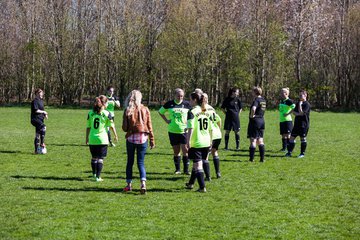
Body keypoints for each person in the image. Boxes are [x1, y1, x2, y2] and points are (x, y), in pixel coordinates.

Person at [122, 90, 155, 194]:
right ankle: (143, 184)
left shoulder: (128, 110)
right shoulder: (145, 109)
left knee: (130, 162)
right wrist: (152, 140)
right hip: (143, 138)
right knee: (141, 162)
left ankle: (129, 184)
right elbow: (150, 126)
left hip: (131, 138)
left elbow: (124, 128)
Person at [158, 88, 191, 174]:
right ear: (174, 95)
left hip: (184, 131)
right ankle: (178, 170)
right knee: (176, 151)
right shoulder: (169, 104)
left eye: (182, 96)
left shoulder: (187, 104)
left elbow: (192, 115)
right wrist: (166, 120)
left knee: (185, 150)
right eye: (178, 96)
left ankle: (186, 170)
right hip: (173, 131)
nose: (180, 97)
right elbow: (160, 112)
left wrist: (189, 125)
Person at [86, 95, 118, 182]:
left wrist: (87, 138)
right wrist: (115, 135)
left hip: (92, 138)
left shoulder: (90, 113)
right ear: (104, 103)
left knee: (94, 157)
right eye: (107, 102)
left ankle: (94, 174)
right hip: (103, 139)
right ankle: (98, 177)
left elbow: (88, 127)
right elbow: (111, 126)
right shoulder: (107, 113)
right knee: (100, 158)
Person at [185, 92, 212, 193]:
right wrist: (210, 140)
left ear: (195, 100)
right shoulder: (205, 110)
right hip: (206, 141)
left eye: (190, 99)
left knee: (198, 165)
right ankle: (191, 183)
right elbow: (210, 128)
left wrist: (188, 142)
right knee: (196, 164)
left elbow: (190, 128)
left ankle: (202, 187)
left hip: (197, 142)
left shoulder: (192, 111)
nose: (189, 101)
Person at [286, 90, 311, 158]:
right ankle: (289, 152)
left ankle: (302, 153)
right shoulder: (298, 103)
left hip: (304, 124)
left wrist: (300, 105)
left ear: (305, 95)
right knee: (291, 138)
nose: (299, 97)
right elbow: (294, 111)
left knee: (302, 139)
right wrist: (290, 113)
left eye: (301, 95)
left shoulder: (306, 104)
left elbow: (301, 113)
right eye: (299, 95)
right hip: (296, 124)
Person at [203, 93, 222, 180]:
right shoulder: (212, 108)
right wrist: (218, 129)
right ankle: (218, 172)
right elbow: (219, 120)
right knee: (215, 152)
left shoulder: (202, 109)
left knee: (205, 155)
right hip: (218, 134)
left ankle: (208, 176)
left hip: (210, 134)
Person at [247, 86, 266, 162]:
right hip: (262, 120)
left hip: (255, 121)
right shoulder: (263, 100)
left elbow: (253, 108)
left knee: (253, 140)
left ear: (255, 92)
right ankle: (262, 159)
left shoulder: (256, 100)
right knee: (260, 140)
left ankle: (251, 159)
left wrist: (252, 115)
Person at [31, 88, 48, 154]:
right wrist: (44, 111)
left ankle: (36, 151)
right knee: (44, 127)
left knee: (37, 134)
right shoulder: (35, 101)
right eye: (41, 92)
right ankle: (42, 143)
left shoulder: (41, 101)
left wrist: (44, 114)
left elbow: (41, 110)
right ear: (37, 93)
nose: (42, 93)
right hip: (35, 119)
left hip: (40, 119)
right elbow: (36, 110)